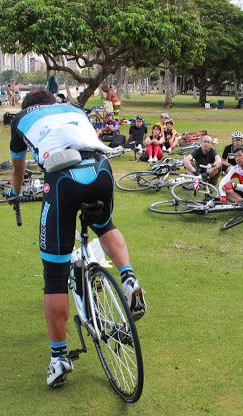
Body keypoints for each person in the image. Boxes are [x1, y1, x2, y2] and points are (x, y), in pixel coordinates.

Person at [8, 89, 146, 387]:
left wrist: (16, 192)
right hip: (100, 170)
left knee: (55, 277)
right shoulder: (73, 109)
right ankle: (129, 278)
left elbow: (18, 167)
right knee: (105, 224)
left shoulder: (20, 119)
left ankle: (59, 358)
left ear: (28, 107)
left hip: (63, 180)